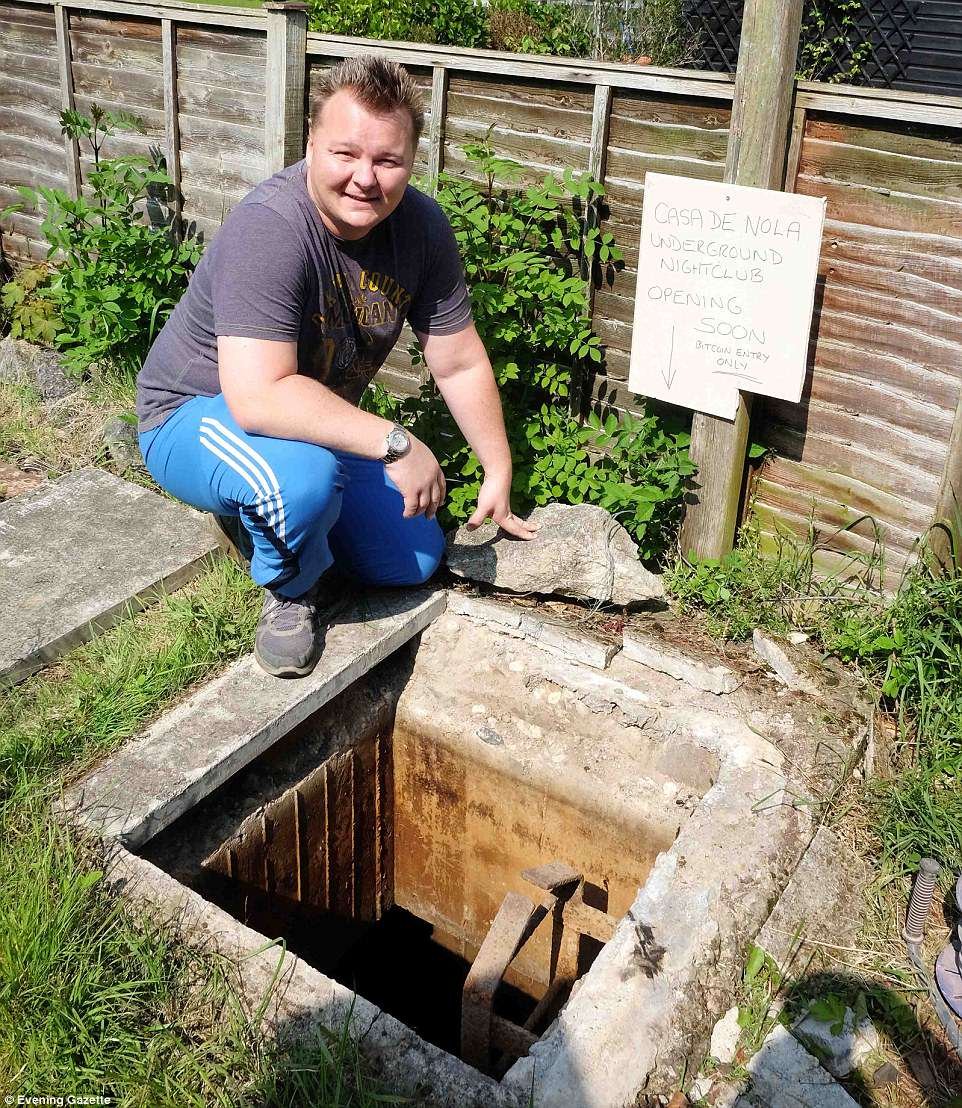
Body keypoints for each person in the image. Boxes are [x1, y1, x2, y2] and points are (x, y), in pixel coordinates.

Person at [135, 54, 535, 679]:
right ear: (312, 144)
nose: (365, 178)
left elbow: (456, 360)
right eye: (346, 154)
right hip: (192, 416)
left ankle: (283, 510)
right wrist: (395, 443)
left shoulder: (423, 230)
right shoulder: (272, 227)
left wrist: (498, 465)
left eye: (388, 160)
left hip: (304, 419)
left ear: (412, 160)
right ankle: (290, 590)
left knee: (411, 559)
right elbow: (259, 398)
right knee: (299, 483)